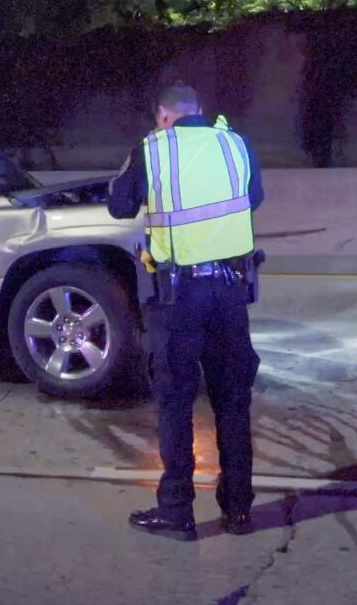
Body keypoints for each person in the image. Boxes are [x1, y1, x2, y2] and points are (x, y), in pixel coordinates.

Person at [107, 82, 264, 540]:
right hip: (232, 291)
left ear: (163, 115)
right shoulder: (236, 143)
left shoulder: (152, 149)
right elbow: (254, 199)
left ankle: (177, 512)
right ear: (199, 110)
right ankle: (238, 511)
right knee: (233, 402)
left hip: (178, 297)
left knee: (175, 403)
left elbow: (120, 204)